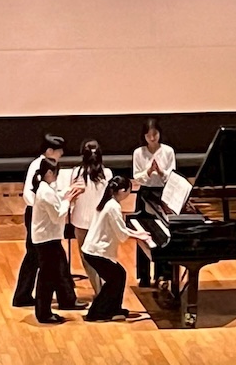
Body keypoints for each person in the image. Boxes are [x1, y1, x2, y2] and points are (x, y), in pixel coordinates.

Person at [12, 134, 86, 309]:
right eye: (59, 151)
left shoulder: (47, 168)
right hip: (39, 215)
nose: (61, 154)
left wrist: (64, 195)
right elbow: (31, 195)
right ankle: (63, 298)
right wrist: (49, 205)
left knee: (42, 259)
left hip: (44, 213)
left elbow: (52, 195)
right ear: (50, 150)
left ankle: (28, 295)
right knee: (45, 260)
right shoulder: (39, 167)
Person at [82, 176, 152, 322]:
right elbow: (121, 233)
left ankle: (113, 309)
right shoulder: (113, 206)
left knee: (118, 276)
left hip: (93, 249)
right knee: (115, 278)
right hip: (96, 251)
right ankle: (97, 313)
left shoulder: (108, 201)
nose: (129, 194)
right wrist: (138, 236)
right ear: (122, 191)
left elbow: (119, 228)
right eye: (129, 191)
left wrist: (137, 233)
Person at [31, 157, 85, 323]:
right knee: (47, 278)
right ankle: (44, 313)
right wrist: (68, 200)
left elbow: (56, 197)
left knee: (57, 271)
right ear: (49, 172)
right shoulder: (45, 192)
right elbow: (56, 216)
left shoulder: (46, 188)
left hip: (49, 238)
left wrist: (69, 192)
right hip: (46, 240)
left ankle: (65, 301)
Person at [132, 118, 176, 287]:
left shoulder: (168, 151)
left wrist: (161, 171)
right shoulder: (139, 153)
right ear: (144, 136)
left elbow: (171, 175)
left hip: (162, 194)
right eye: (148, 135)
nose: (152, 138)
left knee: (163, 233)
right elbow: (137, 177)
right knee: (143, 233)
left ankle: (162, 274)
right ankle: (143, 275)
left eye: (155, 134)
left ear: (159, 134)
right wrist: (149, 172)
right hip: (145, 193)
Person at [68, 139, 113, 296]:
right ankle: (104, 291)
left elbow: (72, 197)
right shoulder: (108, 174)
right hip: (99, 223)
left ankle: (98, 291)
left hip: (80, 221)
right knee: (101, 257)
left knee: (86, 258)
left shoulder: (76, 173)